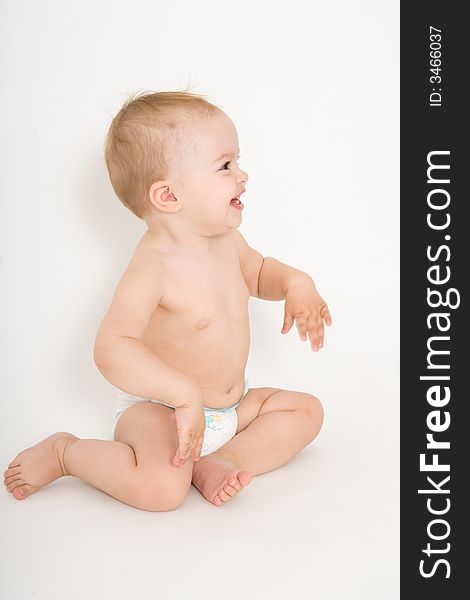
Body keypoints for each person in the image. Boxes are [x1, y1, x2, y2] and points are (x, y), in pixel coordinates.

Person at [3, 90, 331, 511]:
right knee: (161, 491)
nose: (242, 175)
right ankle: (66, 453)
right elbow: (111, 348)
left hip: (230, 406)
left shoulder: (227, 241)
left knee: (306, 412)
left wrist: (296, 284)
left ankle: (220, 460)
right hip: (161, 411)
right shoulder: (152, 268)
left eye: (238, 162)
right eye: (225, 166)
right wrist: (182, 394)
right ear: (169, 197)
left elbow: (261, 271)